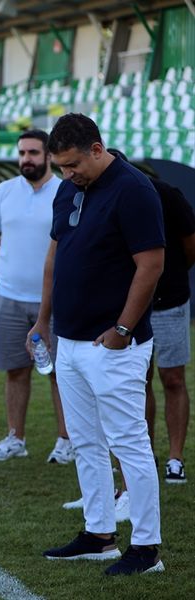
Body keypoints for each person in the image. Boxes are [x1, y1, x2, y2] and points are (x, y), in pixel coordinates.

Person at [32, 114, 164, 575]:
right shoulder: (69, 186)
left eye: (72, 165)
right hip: (68, 341)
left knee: (130, 443)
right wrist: (43, 319)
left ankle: (146, 549)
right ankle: (99, 535)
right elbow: (55, 256)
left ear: (96, 148)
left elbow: (151, 264)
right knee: (86, 442)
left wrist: (123, 330)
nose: (67, 174)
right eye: (61, 166)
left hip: (114, 344)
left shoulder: (134, 189)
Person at [0, 130, 72, 464]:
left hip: (55, 300)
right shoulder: (4, 191)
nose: (26, 159)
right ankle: (15, 438)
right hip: (7, 297)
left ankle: (66, 440)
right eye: (22, 153)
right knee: (15, 371)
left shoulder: (66, 191)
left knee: (60, 374)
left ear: (49, 155)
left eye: (33, 153)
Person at [143, 173, 194, 484]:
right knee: (138, 379)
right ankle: (144, 453)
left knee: (173, 378)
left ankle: (176, 458)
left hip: (170, 301)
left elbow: (191, 246)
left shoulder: (167, 195)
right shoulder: (100, 196)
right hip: (130, 305)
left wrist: (170, 276)